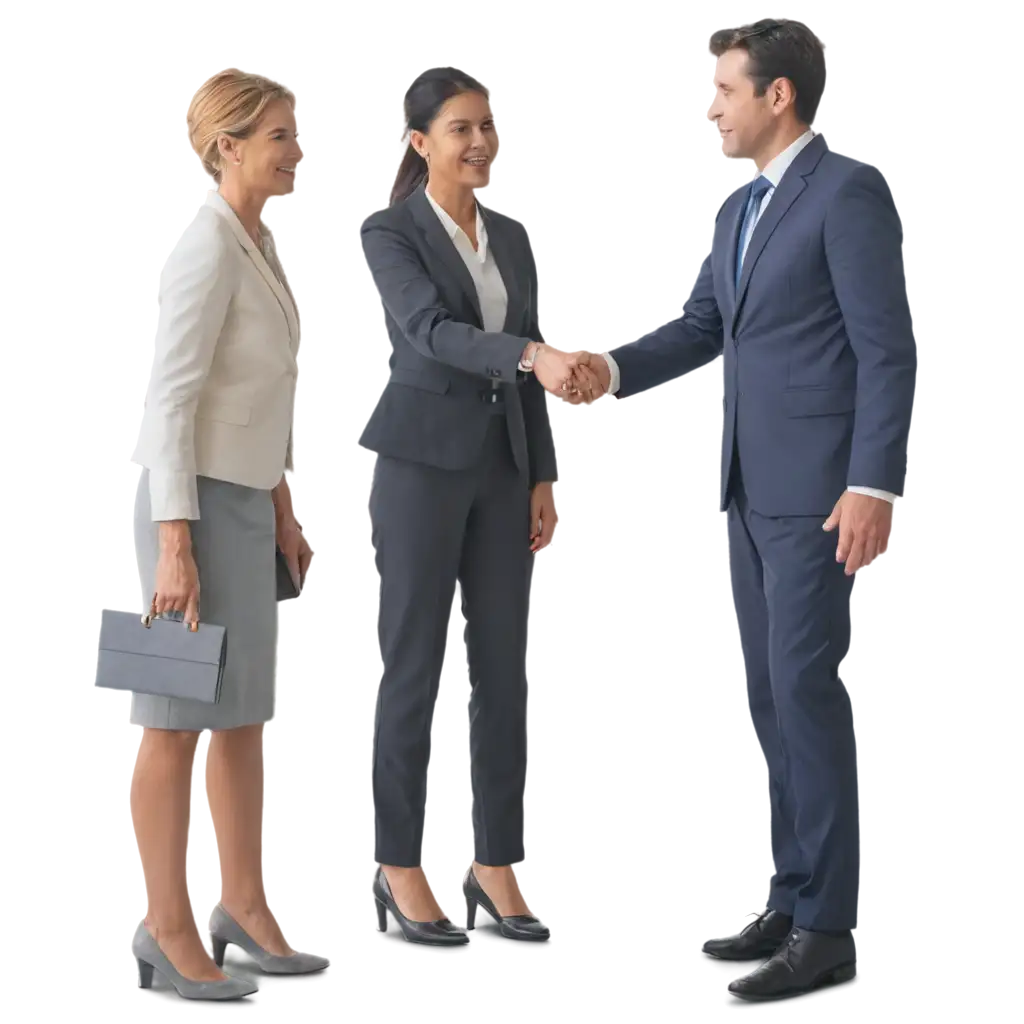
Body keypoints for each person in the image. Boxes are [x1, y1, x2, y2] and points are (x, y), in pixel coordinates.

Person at [566, 21, 915, 1002]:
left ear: (777, 98)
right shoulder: (738, 208)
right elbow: (702, 326)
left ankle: (828, 927)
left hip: (814, 493)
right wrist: (615, 367)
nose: (708, 107)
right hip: (744, 487)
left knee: (806, 692)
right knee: (769, 700)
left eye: (723, 89)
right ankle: (789, 894)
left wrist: (870, 480)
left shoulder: (844, 194)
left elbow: (883, 349)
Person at [354, 64, 577, 949]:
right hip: (416, 468)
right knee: (412, 668)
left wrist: (544, 471)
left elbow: (534, 357)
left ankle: (496, 864)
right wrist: (530, 354)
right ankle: (400, 864)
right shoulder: (388, 231)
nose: (479, 142)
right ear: (421, 143)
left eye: (488, 126)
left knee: (502, 672)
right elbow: (433, 335)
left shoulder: (512, 235)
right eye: (459, 129)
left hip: (501, 470)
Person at [125, 67, 330, 1003]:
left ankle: (242, 909)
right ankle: (166, 928)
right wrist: (175, 543)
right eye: (279, 136)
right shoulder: (201, 246)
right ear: (228, 147)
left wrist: (284, 506)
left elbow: (258, 394)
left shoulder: (258, 242)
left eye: (295, 134)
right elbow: (166, 402)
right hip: (183, 511)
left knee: (242, 715)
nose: (296, 152)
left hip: (244, 506)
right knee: (167, 725)